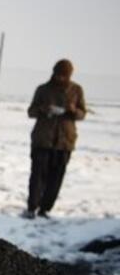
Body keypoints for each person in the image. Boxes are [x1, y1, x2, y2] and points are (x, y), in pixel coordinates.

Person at [24, 59, 87, 219]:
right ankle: (32, 207)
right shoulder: (43, 90)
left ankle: (45, 209)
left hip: (64, 141)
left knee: (56, 178)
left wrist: (73, 111)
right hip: (43, 139)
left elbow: (82, 113)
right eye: (58, 74)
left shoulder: (76, 90)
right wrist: (43, 109)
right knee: (38, 175)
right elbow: (31, 111)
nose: (60, 78)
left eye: (64, 75)